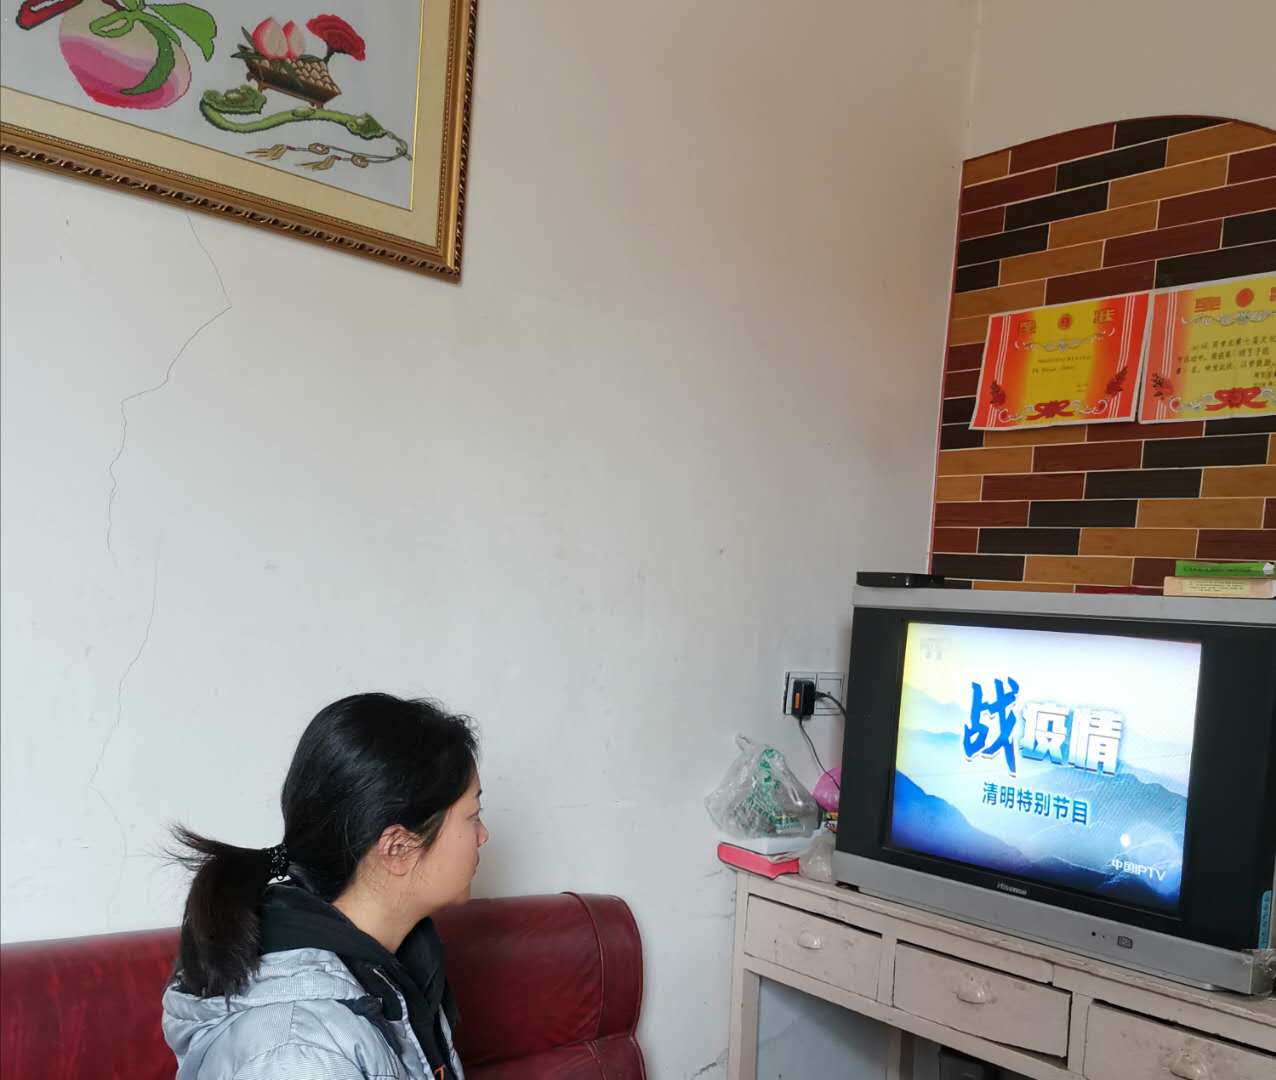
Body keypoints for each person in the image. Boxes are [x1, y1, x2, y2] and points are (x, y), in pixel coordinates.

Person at [162, 692, 488, 1079]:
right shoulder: (299, 1055)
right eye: (473, 816)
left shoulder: (397, 969)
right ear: (397, 847)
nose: (483, 836)